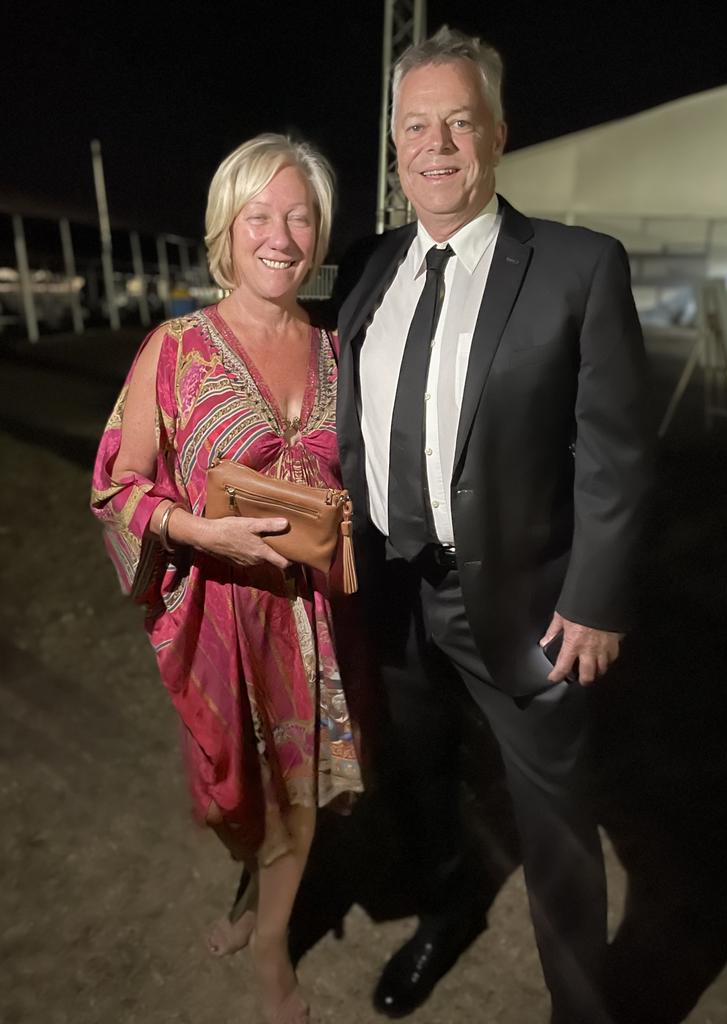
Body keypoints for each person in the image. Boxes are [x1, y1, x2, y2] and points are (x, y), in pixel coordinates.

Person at [335, 27, 653, 1024]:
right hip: (387, 593)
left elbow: (617, 453)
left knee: (557, 821)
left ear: (499, 133)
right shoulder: (365, 268)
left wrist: (597, 596)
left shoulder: (577, 267)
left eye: (459, 123)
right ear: (393, 145)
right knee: (419, 777)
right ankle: (447, 907)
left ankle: (582, 1007)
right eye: (416, 126)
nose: (437, 146)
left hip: (524, 600)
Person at [91, 133, 362, 1024]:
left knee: (301, 793)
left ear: (319, 233)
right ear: (228, 229)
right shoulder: (175, 349)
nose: (281, 234)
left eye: (300, 215)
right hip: (216, 616)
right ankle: (252, 878)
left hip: (309, 621)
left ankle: (275, 944)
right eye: (261, 215)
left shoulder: (335, 353)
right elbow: (116, 487)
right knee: (233, 796)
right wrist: (198, 529)